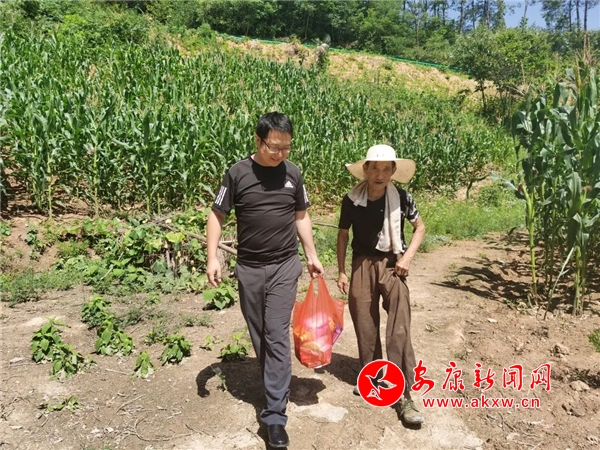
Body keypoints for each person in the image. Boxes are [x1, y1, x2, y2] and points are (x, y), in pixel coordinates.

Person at [206, 111, 324, 448]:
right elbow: (217, 215)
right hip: (250, 268)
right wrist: (212, 256)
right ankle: (274, 382)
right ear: (258, 140)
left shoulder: (293, 173)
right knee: (260, 335)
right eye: (274, 147)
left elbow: (301, 216)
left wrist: (312, 254)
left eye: (286, 148)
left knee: (276, 334)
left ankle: (274, 416)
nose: (280, 154)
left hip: (285, 266)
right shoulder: (237, 173)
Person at [336, 144, 426, 425]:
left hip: (393, 263)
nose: (380, 174)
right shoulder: (352, 200)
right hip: (362, 263)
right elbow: (343, 235)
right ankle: (373, 376)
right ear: (365, 169)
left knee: (399, 326)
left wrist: (407, 258)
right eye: (375, 168)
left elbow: (420, 227)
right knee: (364, 322)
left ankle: (404, 393)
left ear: (393, 172)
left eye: (386, 169)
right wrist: (342, 271)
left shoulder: (402, 198)